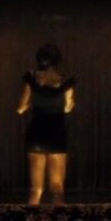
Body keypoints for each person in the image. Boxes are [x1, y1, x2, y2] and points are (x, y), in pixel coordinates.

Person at [16, 43, 76, 205]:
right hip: (56, 134)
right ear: (57, 61)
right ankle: (59, 220)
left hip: (37, 134)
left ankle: (31, 220)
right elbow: (68, 108)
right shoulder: (65, 81)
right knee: (57, 189)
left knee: (36, 189)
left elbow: (20, 108)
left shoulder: (31, 77)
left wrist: (34, 103)